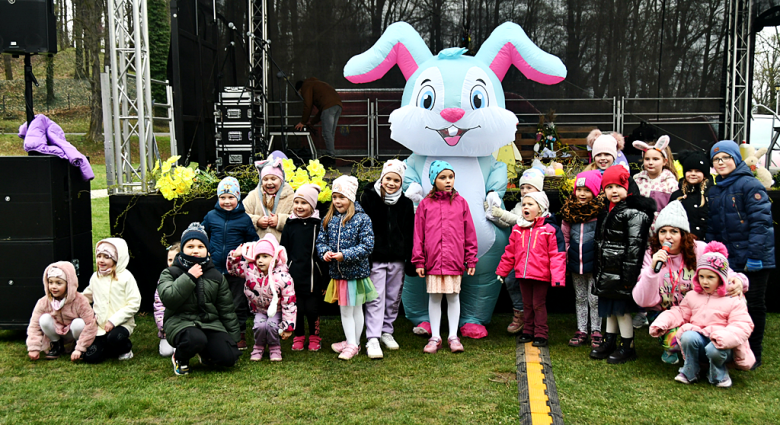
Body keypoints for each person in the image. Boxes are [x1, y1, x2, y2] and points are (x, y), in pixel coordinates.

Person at [633, 201, 748, 364]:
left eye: (674, 231)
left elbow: (726, 273)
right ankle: (673, 349)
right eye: (663, 231)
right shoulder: (651, 255)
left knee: (735, 300)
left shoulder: (699, 249)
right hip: (666, 312)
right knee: (674, 340)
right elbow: (643, 301)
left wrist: (740, 281)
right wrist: (652, 271)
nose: (667, 236)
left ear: (683, 234)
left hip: (698, 310)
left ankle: (711, 352)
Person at [707, 140, 775, 369]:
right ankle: (735, 350)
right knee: (733, 305)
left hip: (754, 259)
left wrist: (754, 256)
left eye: (725, 157)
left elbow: (761, 224)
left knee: (754, 305)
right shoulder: (715, 190)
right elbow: (712, 227)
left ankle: (754, 353)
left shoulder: (750, 185)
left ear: (736, 159)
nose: (720, 162)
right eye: (716, 159)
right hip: (730, 260)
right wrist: (712, 255)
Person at [650, 241, 755, 388]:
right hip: (699, 341)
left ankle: (719, 373)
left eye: (711, 277)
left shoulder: (733, 299)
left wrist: (724, 337)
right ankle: (690, 370)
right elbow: (680, 312)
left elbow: (742, 325)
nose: (705, 281)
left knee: (714, 349)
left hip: (723, 345)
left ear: (721, 278)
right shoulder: (693, 295)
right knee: (688, 336)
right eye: (701, 276)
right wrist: (662, 322)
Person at [590, 166, 655, 364]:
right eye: (609, 187)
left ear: (628, 187)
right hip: (608, 270)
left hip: (622, 271)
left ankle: (628, 345)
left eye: (619, 186)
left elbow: (635, 247)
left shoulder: (634, 213)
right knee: (610, 309)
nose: (614, 191)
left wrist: (628, 276)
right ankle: (610, 340)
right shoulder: (607, 211)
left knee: (622, 310)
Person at [158, 223, 241, 376]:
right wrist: (189, 277)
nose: (195, 250)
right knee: (195, 339)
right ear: (182, 250)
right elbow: (169, 298)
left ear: (207, 251)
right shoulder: (170, 273)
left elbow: (226, 309)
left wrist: (233, 339)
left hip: (209, 324)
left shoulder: (216, 276)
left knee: (229, 357)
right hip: (180, 323)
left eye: (200, 246)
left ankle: (205, 354)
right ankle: (180, 358)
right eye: (190, 246)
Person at [412, 161, 478, 354]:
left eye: (451, 177)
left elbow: (469, 233)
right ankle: (435, 337)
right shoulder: (425, 204)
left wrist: (471, 259)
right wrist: (419, 261)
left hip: (454, 260)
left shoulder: (461, 203)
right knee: (434, 297)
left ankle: (453, 336)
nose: (448, 181)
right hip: (432, 261)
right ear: (434, 180)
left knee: (453, 297)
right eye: (443, 177)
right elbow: (418, 235)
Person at [316, 175, 378, 360]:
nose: (337, 201)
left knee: (353, 310)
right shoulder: (329, 219)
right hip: (338, 274)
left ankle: (352, 344)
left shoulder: (362, 219)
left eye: (341, 197)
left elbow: (367, 246)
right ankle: (353, 342)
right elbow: (321, 241)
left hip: (356, 274)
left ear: (350, 197)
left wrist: (345, 255)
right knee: (347, 310)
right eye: (335, 197)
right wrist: (325, 252)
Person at [496, 191, 566, 347]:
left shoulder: (550, 229)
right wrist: (502, 271)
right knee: (526, 304)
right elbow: (510, 252)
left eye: (530, 204)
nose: (525, 207)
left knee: (538, 305)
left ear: (540, 208)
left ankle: (541, 333)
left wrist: (558, 277)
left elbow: (557, 255)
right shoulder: (517, 229)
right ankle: (528, 331)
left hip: (541, 276)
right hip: (523, 275)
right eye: (524, 204)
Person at [360, 159, 415, 358]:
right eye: (388, 179)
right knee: (375, 297)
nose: (391, 183)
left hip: (397, 259)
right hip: (376, 257)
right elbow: (363, 227)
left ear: (401, 183)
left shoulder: (406, 204)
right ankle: (373, 337)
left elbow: (409, 232)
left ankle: (387, 331)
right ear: (382, 178)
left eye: (396, 180)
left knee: (393, 297)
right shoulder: (369, 198)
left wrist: (409, 257)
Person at [484, 168, 544, 334]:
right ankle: (520, 313)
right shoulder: (519, 205)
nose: (524, 191)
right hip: (519, 254)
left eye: (529, 187)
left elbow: (522, 221)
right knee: (511, 281)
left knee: (534, 289)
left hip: (535, 257)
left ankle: (536, 322)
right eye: (522, 187)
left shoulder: (542, 206)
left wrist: (501, 213)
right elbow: (508, 222)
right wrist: (493, 215)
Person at [202, 177, 259, 350]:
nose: (227, 201)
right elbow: (202, 235)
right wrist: (206, 251)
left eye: (231, 197)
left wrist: (244, 253)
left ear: (238, 197)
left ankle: (239, 333)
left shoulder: (244, 219)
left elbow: (253, 241)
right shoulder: (211, 216)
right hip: (214, 268)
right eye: (223, 197)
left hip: (236, 270)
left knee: (237, 303)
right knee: (215, 301)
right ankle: (217, 332)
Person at [631, 135, 679, 329]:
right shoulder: (637, 180)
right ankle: (641, 310)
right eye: (647, 159)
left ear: (664, 161)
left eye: (655, 159)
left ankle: (663, 311)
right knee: (641, 272)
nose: (650, 162)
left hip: (660, 238)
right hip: (640, 235)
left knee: (662, 271)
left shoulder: (670, 182)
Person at [228, 235, 296, 362]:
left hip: (276, 310)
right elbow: (233, 270)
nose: (260, 260)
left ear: (274, 257)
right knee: (259, 326)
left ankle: (274, 347)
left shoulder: (283, 277)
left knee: (272, 325)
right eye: (258, 256)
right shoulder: (250, 269)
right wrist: (234, 256)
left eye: (265, 256)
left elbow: (289, 303)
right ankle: (258, 346)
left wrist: (288, 327)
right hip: (259, 309)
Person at [560, 170, 605, 348]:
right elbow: (565, 237)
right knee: (580, 297)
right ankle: (582, 329)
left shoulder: (599, 213)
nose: (582, 194)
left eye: (587, 190)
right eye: (579, 190)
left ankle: (596, 330)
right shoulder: (569, 212)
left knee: (594, 298)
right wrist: (566, 255)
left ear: (595, 192)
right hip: (575, 263)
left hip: (594, 264)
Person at [281, 184, 327, 352]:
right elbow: (283, 249)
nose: (299, 206)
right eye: (297, 202)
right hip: (294, 276)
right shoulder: (290, 224)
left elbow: (323, 253)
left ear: (312, 206)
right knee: (297, 309)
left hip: (314, 277)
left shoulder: (318, 225)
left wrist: (324, 279)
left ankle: (315, 337)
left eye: (304, 203)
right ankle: (299, 335)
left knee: (312, 309)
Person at [81, 238, 141, 363]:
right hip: (100, 326)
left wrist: (113, 321)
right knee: (91, 358)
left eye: (106, 257)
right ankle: (106, 347)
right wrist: (72, 300)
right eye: (99, 256)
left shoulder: (126, 277)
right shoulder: (96, 277)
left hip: (121, 324)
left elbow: (134, 303)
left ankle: (125, 349)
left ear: (117, 258)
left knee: (115, 338)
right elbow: (87, 295)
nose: (101, 260)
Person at [27, 262, 97, 361]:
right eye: (51, 282)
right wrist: (33, 347)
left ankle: (77, 347)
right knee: (44, 319)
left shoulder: (80, 301)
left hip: (73, 333)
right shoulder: (43, 302)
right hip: (57, 331)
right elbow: (34, 325)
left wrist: (80, 348)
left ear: (69, 284)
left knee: (79, 323)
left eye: (59, 283)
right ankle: (56, 345)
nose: (53, 286)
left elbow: (90, 324)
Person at [243, 155, 295, 241]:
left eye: (273, 179)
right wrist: (257, 221)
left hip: (282, 244)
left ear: (281, 180)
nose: (269, 182)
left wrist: (280, 221)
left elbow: (297, 218)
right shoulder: (253, 195)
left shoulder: (290, 196)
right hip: (258, 245)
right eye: (265, 179)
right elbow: (242, 215)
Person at [294, 78, 343, 164]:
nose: (302, 96)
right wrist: (311, 122)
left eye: (300, 94)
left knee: (327, 133)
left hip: (329, 107)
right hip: (338, 105)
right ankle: (331, 155)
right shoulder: (316, 84)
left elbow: (308, 105)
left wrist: (303, 122)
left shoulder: (306, 86)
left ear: (300, 90)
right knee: (330, 133)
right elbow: (322, 111)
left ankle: (331, 158)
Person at [669, 151, 712, 241]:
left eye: (698, 171)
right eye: (689, 170)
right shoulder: (677, 195)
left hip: (707, 242)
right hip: (683, 242)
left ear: (705, 174)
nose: (693, 174)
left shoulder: (712, 193)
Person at [153, 242, 180, 357]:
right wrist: (163, 326)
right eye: (170, 260)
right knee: (166, 352)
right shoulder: (163, 279)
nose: (172, 263)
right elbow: (158, 305)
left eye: (175, 259)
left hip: (185, 324)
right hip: (168, 327)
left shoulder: (191, 278)